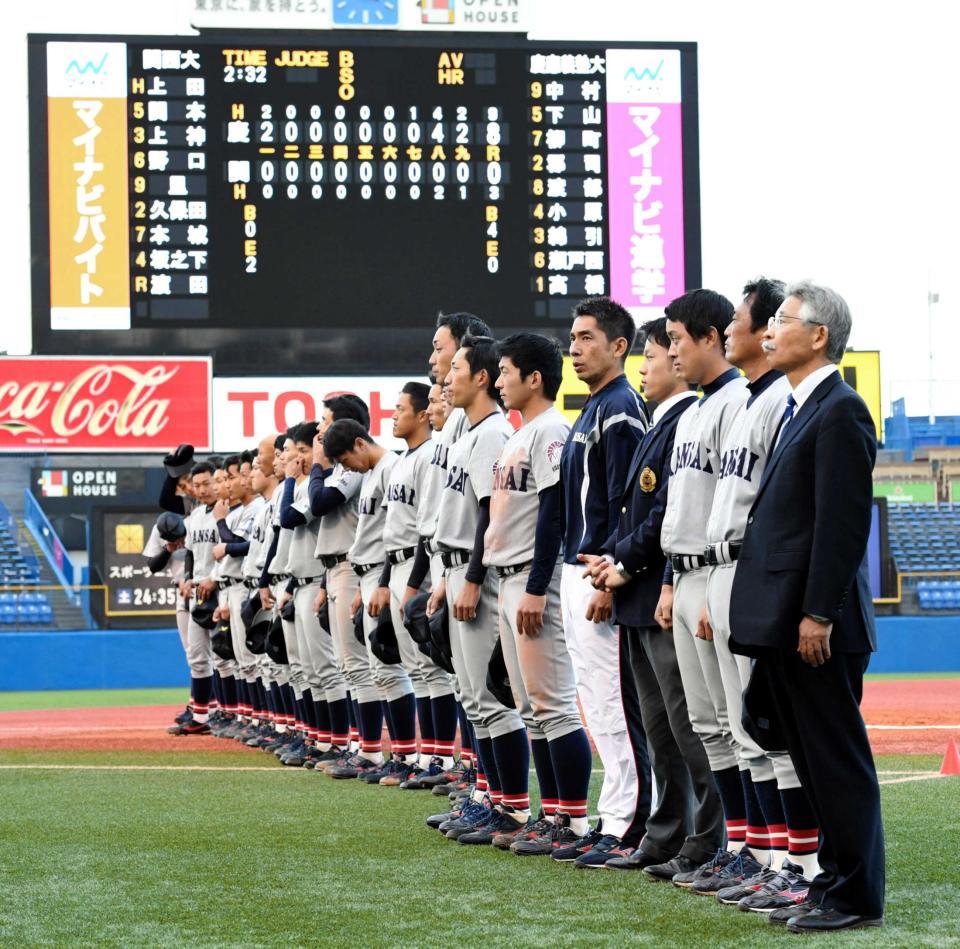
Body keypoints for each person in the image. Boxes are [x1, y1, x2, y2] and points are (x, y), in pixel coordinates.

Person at [730, 282, 884, 933]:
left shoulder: (840, 410)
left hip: (818, 622)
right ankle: (832, 877)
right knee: (811, 759)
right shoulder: (802, 408)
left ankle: (855, 895)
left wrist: (817, 611)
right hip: (789, 620)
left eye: (786, 321)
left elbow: (842, 525)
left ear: (818, 335)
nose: (772, 330)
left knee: (835, 759)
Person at [696, 279, 823, 911]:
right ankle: (767, 855)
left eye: (762, 320)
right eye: (760, 321)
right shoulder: (749, 401)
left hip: (752, 571)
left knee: (767, 728)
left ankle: (797, 864)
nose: (760, 331)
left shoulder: (780, 400)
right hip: (719, 570)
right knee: (740, 728)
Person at [582, 316, 721, 874]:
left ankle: (706, 839)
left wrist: (626, 562)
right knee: (661, 728)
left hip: (659, 590)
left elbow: (666, 515)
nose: (647, 366)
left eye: (655, 355)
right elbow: (633, 511)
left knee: (689, 726)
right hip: (640, 594)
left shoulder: (685, 417)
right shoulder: (662, 422)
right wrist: (611, 555)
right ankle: (667, 834)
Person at [643, 289, 752, 886]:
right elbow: (679, 508)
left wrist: (706, 584)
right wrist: (667, 581)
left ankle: (763, 854)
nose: (672, 350)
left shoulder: (739, 403)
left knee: (739, 727)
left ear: (711, 338)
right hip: (682, 574)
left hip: (716, 572)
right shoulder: (697, 410)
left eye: (679, 338)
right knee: (708, 727)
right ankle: (738, 849)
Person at [482, 333, 594, 856]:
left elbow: (554, 513)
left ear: (534, 378)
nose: (500, 380)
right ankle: (552, 815)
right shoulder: (520, 433)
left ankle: (570, 821)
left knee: (553, 706)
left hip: (532, 577)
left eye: (506, 371)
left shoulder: (551, 431)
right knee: (531, 708)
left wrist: (534, 587)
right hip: (509, 577)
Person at [559, 297, 651, 866]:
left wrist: (607, 578)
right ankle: (612, 814)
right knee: (596, 703)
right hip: (580, 569)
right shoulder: (594, 407)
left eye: (588, 337)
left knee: (616, 706)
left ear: (619, 346)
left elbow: (626, 503)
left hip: (601, 572)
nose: (575, 347)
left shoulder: (620, 408)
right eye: (572, 337)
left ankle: (628, 823)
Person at [428, 334, 526, 844]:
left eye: (457, 369)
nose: (447, 378)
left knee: (490, 698)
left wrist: (469, 577)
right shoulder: (469, 433)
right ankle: (491, 799)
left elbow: (492, 512)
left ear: (481, 377)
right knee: (471, 696)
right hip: (456, 568)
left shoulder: (490, 433)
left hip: (478, 576)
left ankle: (510, 808)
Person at [325, 417, 419, 783]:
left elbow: (392, 534)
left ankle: (411, 753)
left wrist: (381, 581)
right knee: (378, 669)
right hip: (370, 574)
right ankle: (401, 753)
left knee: (396, 669)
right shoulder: (373, 473)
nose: (347, 467)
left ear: (360, 444)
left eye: (346, 459)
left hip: (385, 571)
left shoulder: (392, 467)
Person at [381, 382, 459, 788]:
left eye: (401, 408)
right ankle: (430, 757)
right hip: (401, 564)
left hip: (424, 563)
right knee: (418, 666)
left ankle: (441, 759)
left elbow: (425, 529)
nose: (394, 415)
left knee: (434, 668)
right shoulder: (403, 460)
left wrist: (413, 583)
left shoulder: (431, 455)